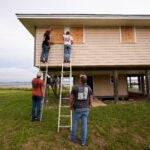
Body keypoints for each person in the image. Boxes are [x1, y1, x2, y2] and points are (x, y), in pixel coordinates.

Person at [70, 74, 93, 146]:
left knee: (74, 124)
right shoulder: (89, 88)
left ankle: (73, 138)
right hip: (85, 109)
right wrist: (90, 106)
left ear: (80, 79)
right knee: (84, 125)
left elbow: (71, 98)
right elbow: (91, 98)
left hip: (77, 108)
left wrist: (70, 105)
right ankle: (83, 142)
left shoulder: (75, 87)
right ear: (86, 80)